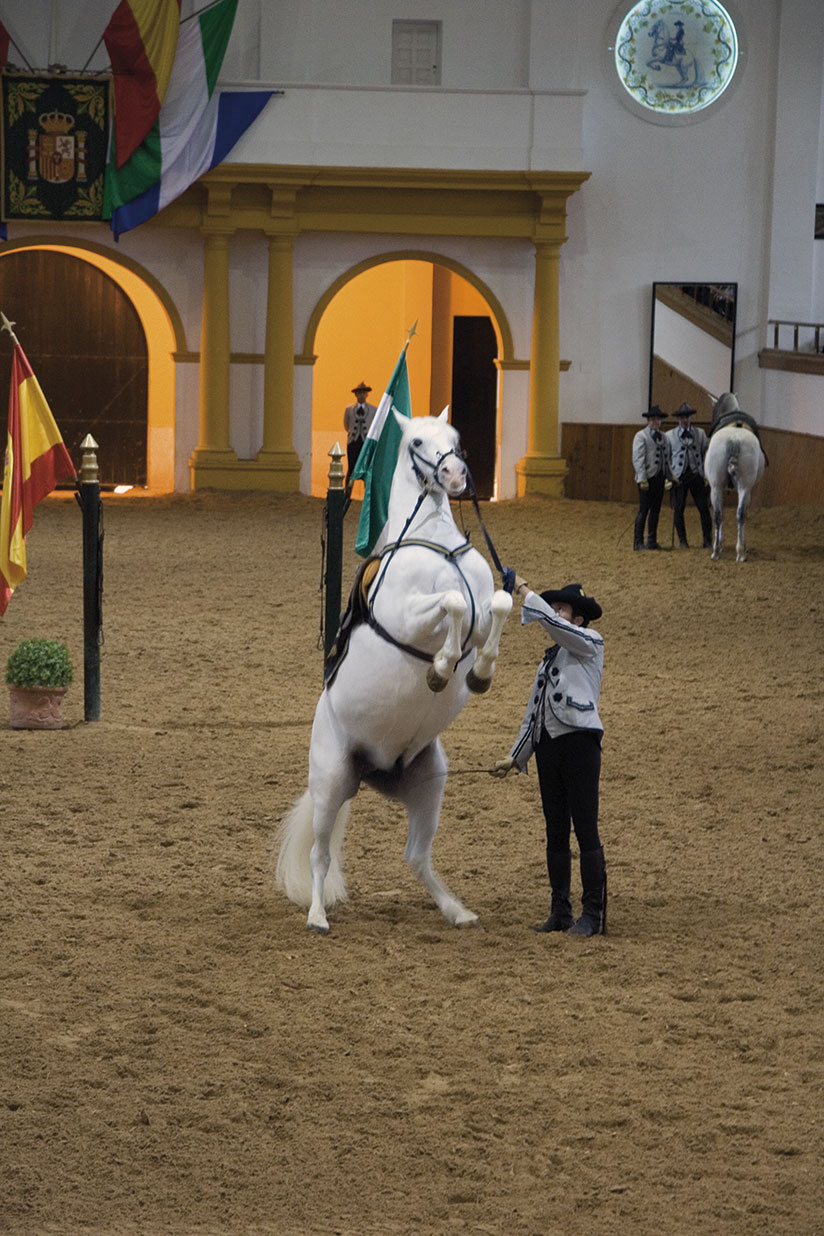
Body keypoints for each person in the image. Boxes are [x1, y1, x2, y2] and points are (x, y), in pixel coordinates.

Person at [491, 579, 607, 937]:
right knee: (555, 831)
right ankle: (560, 910)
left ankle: (594, 914)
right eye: (555, 608)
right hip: (548, 747)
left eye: (563, 609)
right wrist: (517, 755)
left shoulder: (590, 643)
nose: (557, 614)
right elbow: (534, 712)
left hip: (579, 745)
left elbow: (554, 626)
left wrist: (525, 591)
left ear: (580, 619)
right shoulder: (551, 658)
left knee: (585, 829)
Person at [666, 402, 712, 548]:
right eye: (682, 418)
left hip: (696, 474)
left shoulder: (700, 433)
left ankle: (707, 539)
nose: (685, 420)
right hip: (679, 477)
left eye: (687, 417)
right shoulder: (669, 435)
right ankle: (682, 540)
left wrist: (706, 475)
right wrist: (669, 476)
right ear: (678, 419)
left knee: (703, 508)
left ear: (690, 418)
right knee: (679, 508)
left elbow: (706, 453)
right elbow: (667, 458)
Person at [632, 405, 671, 550]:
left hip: (659, 478)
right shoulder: (641, 436)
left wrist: (670, 476)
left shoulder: (665, 437)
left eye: (658, 419)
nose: (656, 422)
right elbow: (638, 459)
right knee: (643, 510)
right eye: (653, 419)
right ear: (648, 421)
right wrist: (642, 478)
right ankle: (638, 541)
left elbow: (667, 459)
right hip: (647, 479)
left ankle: (652, 540)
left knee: (656, 510)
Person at [343, 382, 378, 482]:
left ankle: (366, 495)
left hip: (366, 441)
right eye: (359, 393)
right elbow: (346, 424)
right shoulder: (349, 409)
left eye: (363, 393)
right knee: (351, 467)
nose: (361, 395)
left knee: (366, 468)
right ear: (356, 395)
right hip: (353, 441)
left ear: (367, 394)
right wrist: (351, 432)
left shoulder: (373, 409)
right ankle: (347, 493)